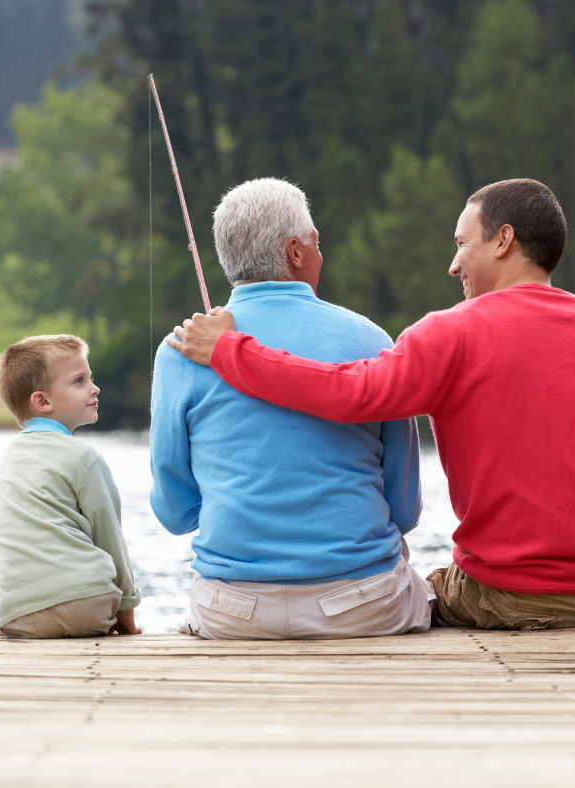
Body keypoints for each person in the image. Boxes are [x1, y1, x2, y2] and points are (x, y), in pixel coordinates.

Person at [167, 178, 575, 631]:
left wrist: (231, 351)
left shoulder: (454, 332)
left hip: (517, 596)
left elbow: (353, 393)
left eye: (461, 244)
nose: (454, 263)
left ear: (503, 241)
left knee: (433, 590)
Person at [150, 178, 434, 640]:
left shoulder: (179, 352)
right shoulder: (371, 341)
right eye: (317, 243)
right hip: (361, 606)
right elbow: (405, 510)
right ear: (296, 253)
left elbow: (175, 513)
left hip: (234, 612)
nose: (321, 254)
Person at [0, 334, 142, 638]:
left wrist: (0, 607)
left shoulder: (3, 461)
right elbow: (109, 537)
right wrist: (127, 616)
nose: (95, 388)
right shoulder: (85, 457)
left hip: (15, 614)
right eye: (79, 381)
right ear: (42, 401)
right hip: (86, 606)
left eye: (90, 378)